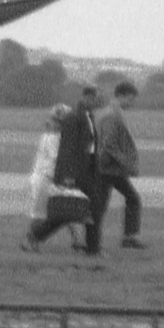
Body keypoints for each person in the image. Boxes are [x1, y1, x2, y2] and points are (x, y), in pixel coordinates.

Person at [21, 104, 88, 250]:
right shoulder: (53, 137)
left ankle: (78, 240)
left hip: (49, 178)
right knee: (42, 214)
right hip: (45, 178)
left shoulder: (54, 135)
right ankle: (31, 240)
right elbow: (57, 158)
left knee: (66, 208)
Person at [55, 86, 105, 255]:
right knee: (69, 210)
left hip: (90, 168)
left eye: (96, 99)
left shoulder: (89, 116)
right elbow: (67, 148)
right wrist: (68, 175)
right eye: (93, 98)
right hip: (76, 170)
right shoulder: (73, 117)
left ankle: (93, 249)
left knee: (94, 209)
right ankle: (35, 234)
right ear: (86, 97)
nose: (96, 102)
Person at [98, 81, 146, 249]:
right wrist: (126, 162)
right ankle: (128, 237)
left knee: (129, 199)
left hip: (111, 168)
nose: (132, 103)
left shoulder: (114, 113)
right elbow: (109, 144)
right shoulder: (112, 115)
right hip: (108, 169)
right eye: (131, 99)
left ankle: (129, 237)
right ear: (122, 95)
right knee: (101, 205)